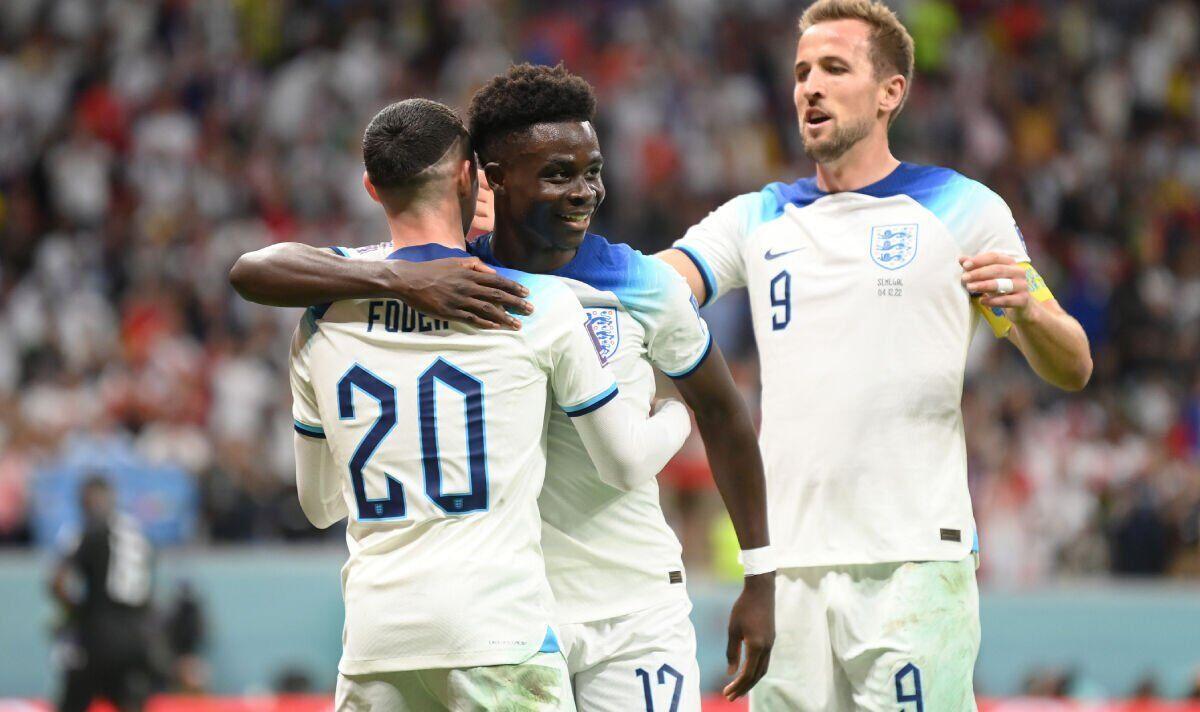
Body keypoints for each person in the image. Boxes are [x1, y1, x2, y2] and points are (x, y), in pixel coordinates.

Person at [231, 64, 776, 710]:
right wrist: (402, 281)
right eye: (558, 174)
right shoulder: (454, 278)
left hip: (628, 607)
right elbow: (262, 269)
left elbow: (724, 413)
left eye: (593, 171)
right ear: (486, 178)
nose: (584, 192)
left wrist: (760, 574)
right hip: (514, 616)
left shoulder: (642, 284)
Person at [655, 1, 1094, 709]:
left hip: (913, 562)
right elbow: (654, 287)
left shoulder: (961, 208)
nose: (810, 86)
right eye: (801, 72)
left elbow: (1073, 365)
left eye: (834, 68)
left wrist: (1030, 311)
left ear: (891, 92)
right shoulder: (758, 216)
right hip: (788, 567)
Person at [50, 475, 155, 712]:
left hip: (98, 636)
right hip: (139, 637)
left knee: (72, 702)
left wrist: (74, 612)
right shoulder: (138, 534)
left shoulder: (92, 530)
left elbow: (58, 581)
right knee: (128, 701)